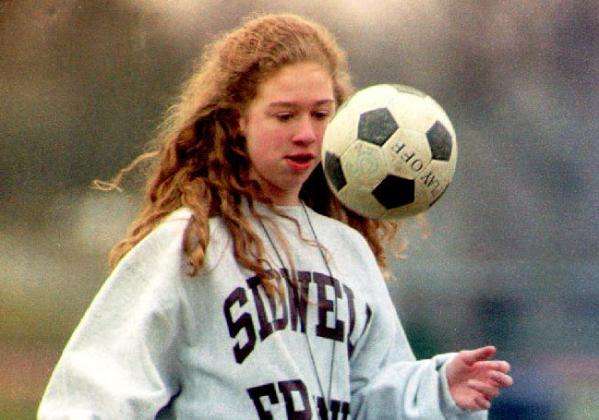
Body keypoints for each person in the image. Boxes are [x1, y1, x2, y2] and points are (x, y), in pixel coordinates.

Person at [38, 13, 512, 419]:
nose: (306, 134)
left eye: (321, 114)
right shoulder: (191, 242)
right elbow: (96, 392)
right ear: (236, 120)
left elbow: (367, 397)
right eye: (285, 116)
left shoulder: (347, 251)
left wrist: (438, 390)